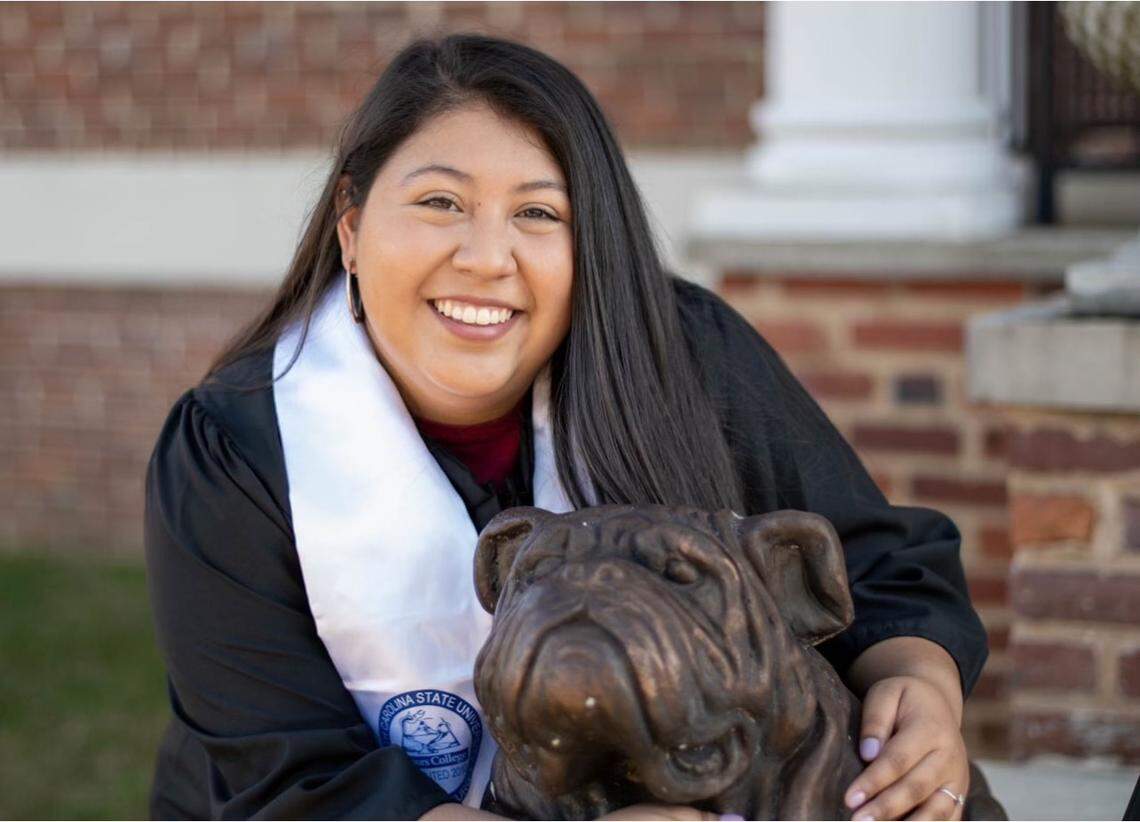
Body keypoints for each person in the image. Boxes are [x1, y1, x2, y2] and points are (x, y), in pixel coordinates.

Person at [144, 33, 987, 821]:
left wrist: (917, 690)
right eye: (442, 201)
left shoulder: (684, 358)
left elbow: (877, 563)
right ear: (352, 227)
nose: (486, 257)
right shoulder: (238, 449)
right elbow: (282, 774)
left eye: (539, 214)